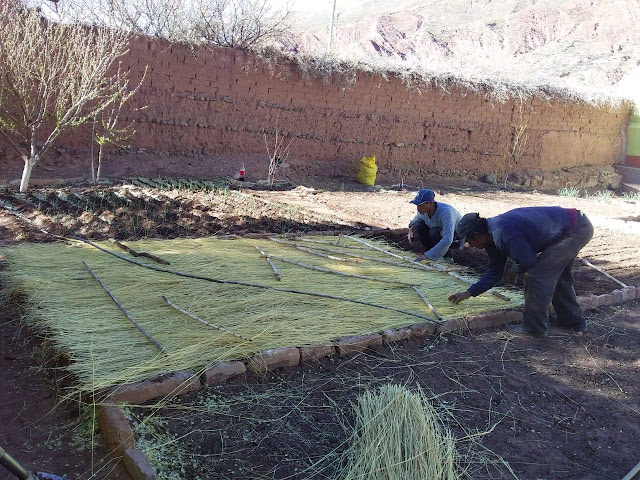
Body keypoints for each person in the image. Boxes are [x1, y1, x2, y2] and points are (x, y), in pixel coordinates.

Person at [448, 207, 594, 337]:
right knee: (557, 275)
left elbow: (528, 261)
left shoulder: (503, 231)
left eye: (469, 241)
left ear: (476, 235)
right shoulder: (491, 238)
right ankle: (572, 322)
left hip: (575, 229)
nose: (470, 246)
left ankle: (534, 328)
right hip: (571, 227)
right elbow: (494, 272)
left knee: (536, 276)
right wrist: (468, 293)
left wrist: (513, 270)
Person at [407, 189, 462, 264]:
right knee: (418, 225)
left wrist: (426, 256)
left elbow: (448, 238)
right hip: (440, 233)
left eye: (420, 205)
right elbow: (416, 220)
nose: (417, 208)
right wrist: (411, 230)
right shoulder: (423, 211)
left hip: (455, 237)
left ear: (429, 204)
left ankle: (447, 257)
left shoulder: (446, 212)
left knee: (434, 232)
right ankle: (431, 253)